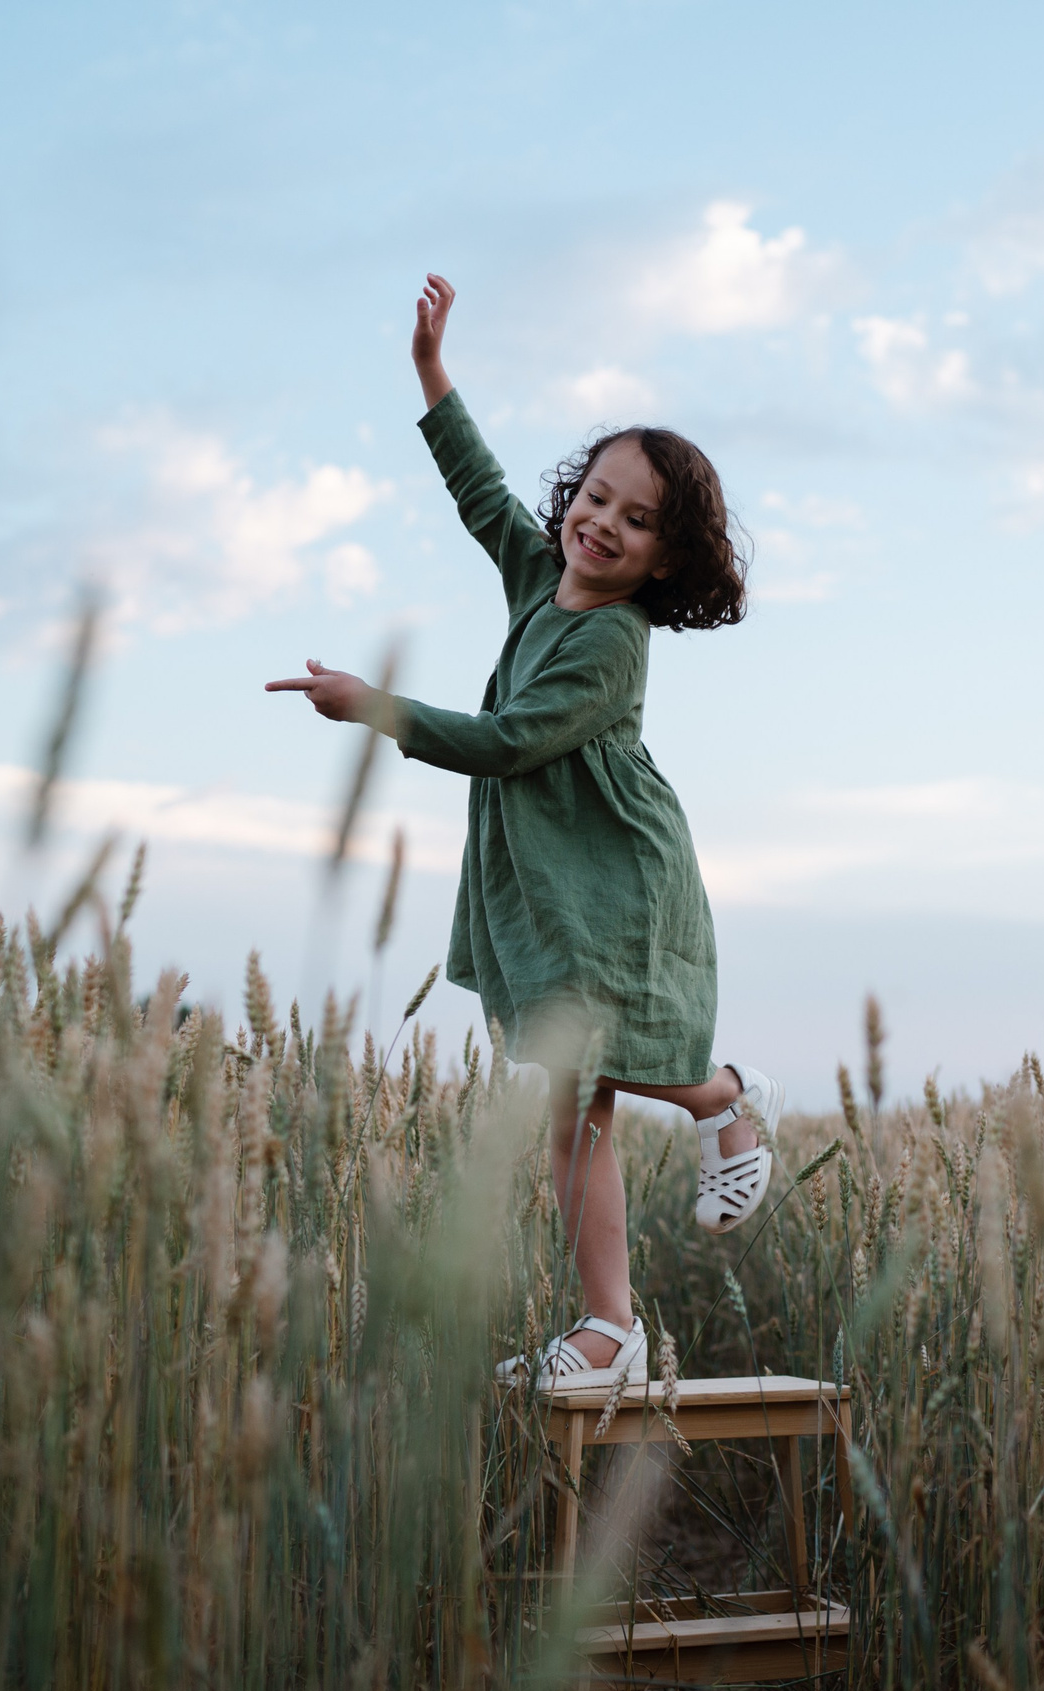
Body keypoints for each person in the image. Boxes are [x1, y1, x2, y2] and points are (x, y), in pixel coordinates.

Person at [266, 274, 781, 1391]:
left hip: (610, 875)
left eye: (636, 520)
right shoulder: (540, 576)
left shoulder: (613, 645)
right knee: (570, 1104)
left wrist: (376, 709)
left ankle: (694, 1150)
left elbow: (507, 742)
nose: (603, 523)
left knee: (589, 1084)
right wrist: (430, 371)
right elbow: (479, 490)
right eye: (595, 497)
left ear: (664, 561)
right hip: (546, 877)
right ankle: (622, 1305)